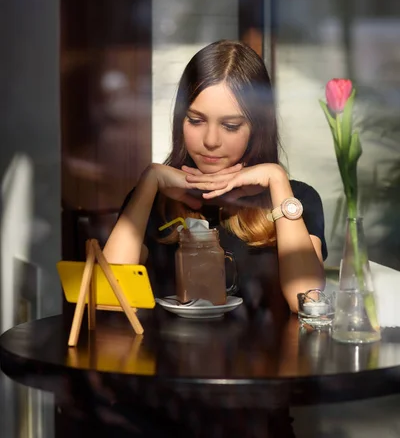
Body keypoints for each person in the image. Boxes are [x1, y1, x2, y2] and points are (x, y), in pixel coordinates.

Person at [103, 40, 326, 316]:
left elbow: (307, 303)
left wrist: (277, 180)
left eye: (230, 126)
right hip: (169, 357)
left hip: (265, 359)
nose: (210, 141)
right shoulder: (154, 202)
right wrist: (149, 182)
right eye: (195, 121)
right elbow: (109, 299)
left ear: (258, 128)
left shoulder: (296, 200)